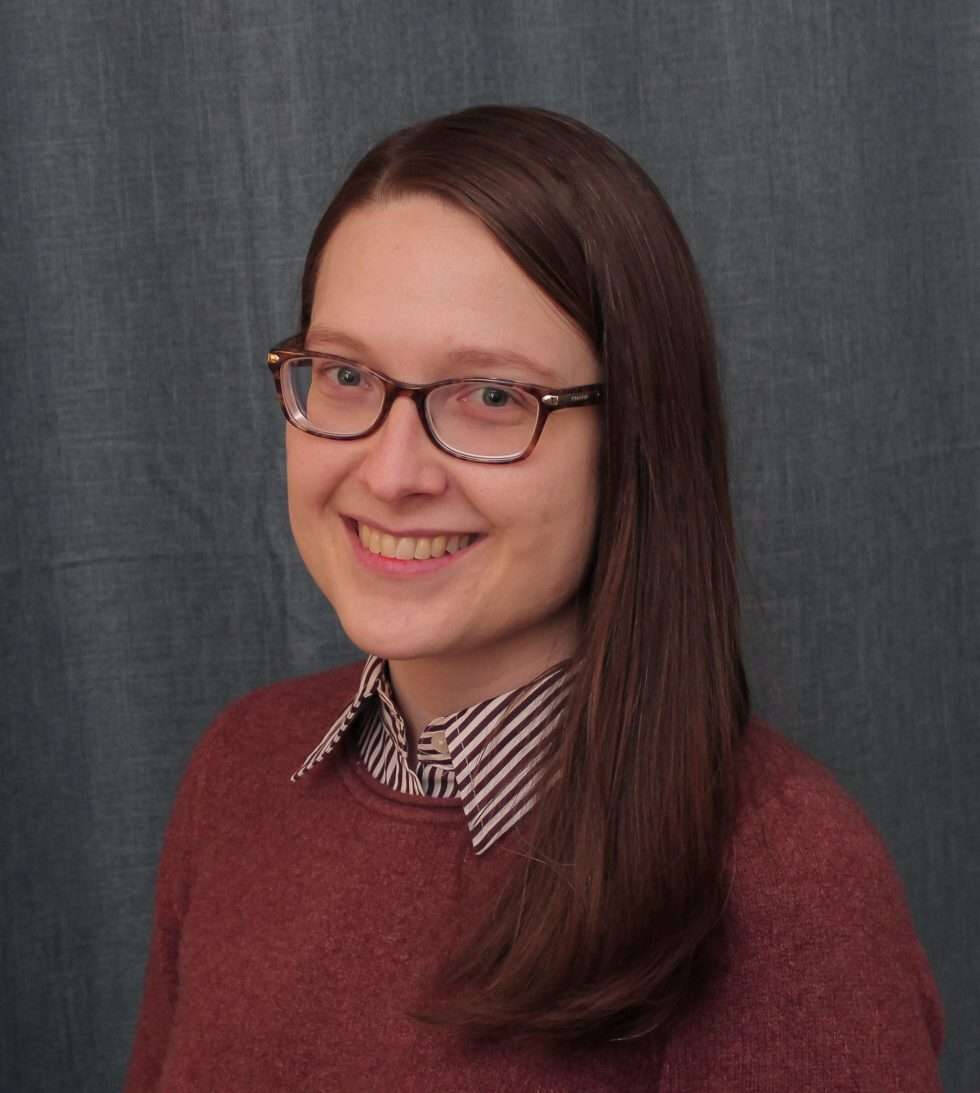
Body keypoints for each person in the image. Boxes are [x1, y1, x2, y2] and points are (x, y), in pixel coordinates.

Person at [124, 105, 944, 1091]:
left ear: (633, 436)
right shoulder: (240, 769)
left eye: (491, 397)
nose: (390, 473)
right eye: (345, 374)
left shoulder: (784, 883)